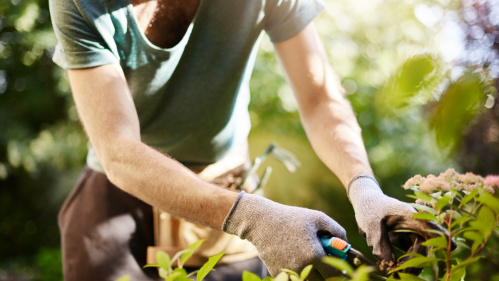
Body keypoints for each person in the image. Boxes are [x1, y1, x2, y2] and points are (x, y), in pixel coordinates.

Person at [49, 0, 420, 280]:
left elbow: (319, 97)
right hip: (117, 200)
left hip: (225, 186)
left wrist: (363, 188)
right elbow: (117, 150)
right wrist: (254, 218)